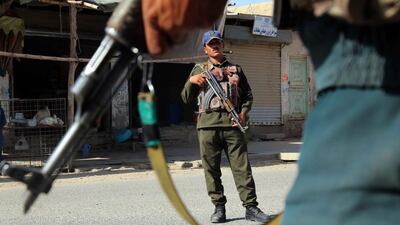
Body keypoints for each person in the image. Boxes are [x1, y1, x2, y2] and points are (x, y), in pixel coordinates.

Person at [180, 30, 270, 223]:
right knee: (211, 169)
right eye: (210, 44)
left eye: (217, 43)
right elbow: (186, 98)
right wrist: (191, 82)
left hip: (232, 125)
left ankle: (251, 207)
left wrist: (244, 113)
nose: (214, 46)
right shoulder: (198, 70)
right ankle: (218, 207)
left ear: (222, 45)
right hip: (207, 127)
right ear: (205, 48)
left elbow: (248, 96)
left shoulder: (236, 69)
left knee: (242, 168)